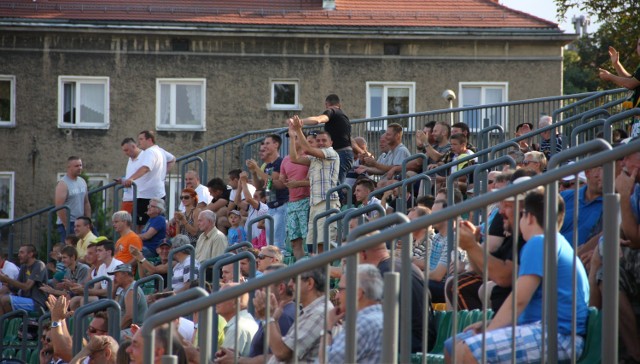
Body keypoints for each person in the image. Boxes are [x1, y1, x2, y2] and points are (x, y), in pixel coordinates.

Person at [444, 189, 589, 364]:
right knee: (455, 345)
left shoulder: (539, 242)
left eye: (522, 215)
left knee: (469, 350)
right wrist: (491, 324)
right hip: (546, 331)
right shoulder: (549, 241)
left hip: (559, 337)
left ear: (530, 217)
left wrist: (490, 333)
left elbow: (519, 300)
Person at [359, 240, 436, 353]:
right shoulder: (401, 264)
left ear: (363, 254)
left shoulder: (383, 274)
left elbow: (376, 319)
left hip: (412, 340)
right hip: (420, 336)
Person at [254, 268, 331, 363]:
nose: (289, 284)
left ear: (310, 283)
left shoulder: (319, 313)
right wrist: (274, 320)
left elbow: (282, 353)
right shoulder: (312, 310)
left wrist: (267, 318)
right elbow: (282, 347)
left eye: (294, 280)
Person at [288, 116, 340, 251]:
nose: (321, 143)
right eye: (318, 141)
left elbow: (306, 149)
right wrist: (293, 137)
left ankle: (325, 271)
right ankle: (315, 271)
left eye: (324, 140)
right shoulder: (314, 158)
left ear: (331, 142)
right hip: (314, 204)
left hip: (327, 203)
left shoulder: (331, 153)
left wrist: (299, 130)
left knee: (323, 245)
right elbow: (294, 158)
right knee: (312, 246)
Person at [319, 264, 384, 363]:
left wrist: (327, 327)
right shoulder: (375, 317)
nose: (336, 296)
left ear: (357, 293)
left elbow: (325, 362)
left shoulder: (365, 323)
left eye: (340, 290)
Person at [294, 94, 352, 187]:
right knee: (334, 185)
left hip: (341, 153)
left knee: (335, 186)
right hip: (344, 153)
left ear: (326, 104)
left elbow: (318, 120)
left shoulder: (332, 111)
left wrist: (298, 122)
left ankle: (338, 201)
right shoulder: (343, 118)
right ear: (339, 104)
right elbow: (349, 139)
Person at [121, 131, 174, 228]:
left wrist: (131, 179)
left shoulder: (150, 151)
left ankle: (143, 243)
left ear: (149, 140)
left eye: (141, 139)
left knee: (140, 226)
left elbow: (145, 168)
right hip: (158, 194)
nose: (139, 142)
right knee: (155, 224)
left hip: (146, 195)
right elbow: (172, 159)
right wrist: (162, 174)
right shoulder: (160, 150)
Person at [247, 134, 289, 250]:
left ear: (276, 145)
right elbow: (259, 186)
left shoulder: (280, 162)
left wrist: (256, 168)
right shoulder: (267, 166)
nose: (264, 146)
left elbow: (272, 180)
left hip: (280, 205)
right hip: (271, 206)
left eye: (267, 143)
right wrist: (254, 172)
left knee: (278, 243)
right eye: (264, 143)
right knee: (270, 243)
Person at [598, 39, 640, 137]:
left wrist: (610, 76)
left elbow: (631, 84)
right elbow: (630, 79)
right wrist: (616, 64)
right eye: (639, 44)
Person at [279, 132, 311, 259]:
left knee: (307, 238)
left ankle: (311, 269)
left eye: (295, 138)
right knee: (294, 241)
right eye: (291, 138)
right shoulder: (285, 159)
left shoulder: (310, 157)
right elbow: (282, 178)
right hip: (292, 203)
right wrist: (282, 180)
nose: (292, 141)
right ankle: (301, 271)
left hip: (306, 201)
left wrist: (297, 183)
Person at [0, 244, 47, 315]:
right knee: (2, 299)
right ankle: (8, 324)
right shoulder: (24, 266)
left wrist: (7, 279)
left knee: (4, 300)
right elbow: (16, 289)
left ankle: (10, 323)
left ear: (30, 254)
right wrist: (6, 282)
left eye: (22, 252)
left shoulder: (39, 265)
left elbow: (26, 287)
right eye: (19, 252)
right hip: (24, 300)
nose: (18, 255)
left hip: (37, 303)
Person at [217, 283, 259, 357]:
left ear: (236, 302)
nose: (217, 301)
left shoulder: (236, 328)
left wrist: (196, 357)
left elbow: (224, 362)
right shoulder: (246, 321)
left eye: (221, 297)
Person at [55, 156, 91, 241]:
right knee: (70, 250)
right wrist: (66, 225)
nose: (79, 168)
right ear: (69, 167)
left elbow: (86, 202)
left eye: (80, 165)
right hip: (69, 223)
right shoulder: (63, 184)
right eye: (76, 166)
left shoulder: (82, 181)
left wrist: (88, 221)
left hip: (81, 222)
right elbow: (59, 207)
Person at [109, 264, 147, 329]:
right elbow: (111, 308)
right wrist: (114, 289)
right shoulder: (124, 290)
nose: (114, 279)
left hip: (136, 330)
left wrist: (115, 331)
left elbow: (129, 316)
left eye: (116, 275)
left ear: (125, 274)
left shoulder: (132, 290)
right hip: (127, 328)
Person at [118, 138, 143, 215]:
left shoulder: (144, 157)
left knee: (135, 224)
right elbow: (131, 176)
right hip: (127, 197)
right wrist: (123, 180)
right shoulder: (130, 159)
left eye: (127, 150)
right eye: (124, 150)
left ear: (133, 146)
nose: (125, 153)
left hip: (138, 197)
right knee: (122, 222)